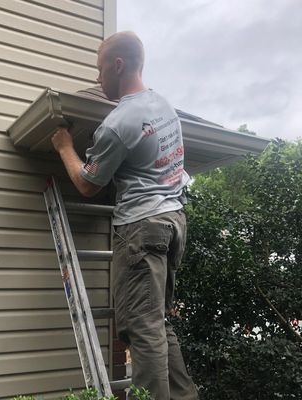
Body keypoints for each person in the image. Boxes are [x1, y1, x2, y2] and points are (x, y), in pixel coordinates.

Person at [51, 31, 199, 400]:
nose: (99, 79)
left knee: (142, 328)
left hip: (143, 229)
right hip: (172, 220)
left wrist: (65, 147)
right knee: (157, 324)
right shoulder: (163, 106)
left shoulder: (118, 123)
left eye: (100, 69)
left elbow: (88, 184)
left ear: (117, 65)